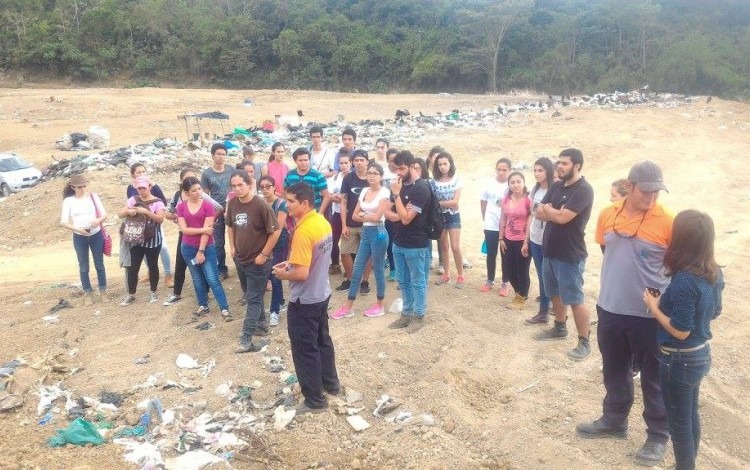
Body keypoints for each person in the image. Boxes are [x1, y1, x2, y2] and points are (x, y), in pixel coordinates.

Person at [577, 161, 674, 465]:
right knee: (614, 369)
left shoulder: (668, 221)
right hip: (611, 308)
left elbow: (677, 266)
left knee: (654, 378)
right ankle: (614, 420)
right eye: (646, 191)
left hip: (650, 317)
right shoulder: (608, 214)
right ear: (629, 186)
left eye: (657, 191)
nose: (652, 197)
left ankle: (658, 436)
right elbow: (610, 252)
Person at [645, 210, 723, 470]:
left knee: (679, 422)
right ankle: (687, 464)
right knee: (689, 415)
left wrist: (654, 306)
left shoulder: (684, 280)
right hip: (700, 355)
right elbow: (715, 311)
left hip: (679, 358)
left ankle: (685, 467)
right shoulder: (713, 272)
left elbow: (680, 330)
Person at [271, 182, 340, 415]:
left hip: (305, 300)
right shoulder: (321, 222)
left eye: (290, 201)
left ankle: (314, 399)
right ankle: (331, 384)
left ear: (305, 203)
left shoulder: (303, 231)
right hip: (322, 293)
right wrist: (291, 263)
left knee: (304, 349)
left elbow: (301, 273)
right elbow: (310, 260)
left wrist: (283, 273)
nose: (286, 205)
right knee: (323, 340)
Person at [533, 148, 594, 361]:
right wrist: (553, 212)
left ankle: (584, 341)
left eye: (564, 163)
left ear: (577, 166)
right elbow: (538, 211)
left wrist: (551, 212)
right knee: (554, 292)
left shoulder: (584, 190)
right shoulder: (557, 185)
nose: (559, 166)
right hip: (549, 249)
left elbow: (562, 218)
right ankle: (560, 327)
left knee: (575, 298)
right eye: (558, 162)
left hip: (570, 253)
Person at [226, 170, 280, 353]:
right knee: (249, 293)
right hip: (240, 258)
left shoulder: (261, 205)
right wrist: (232, 247)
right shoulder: (232, 203)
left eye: (240, 185)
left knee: (254, 299)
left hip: (258, 261)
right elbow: (230, 227)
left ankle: (246, 339)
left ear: (249, 184)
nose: (237, 189)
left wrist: (264, 255)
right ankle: (262, 324)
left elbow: (275, 232)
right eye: (233, 186)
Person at [331, 162, 392, 319]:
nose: (371, 175)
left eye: (375, 173)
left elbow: (378, 217)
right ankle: (348, 306)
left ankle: (379, 304)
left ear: (381, 176)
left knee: (378, 269)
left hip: (378, 233)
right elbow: (353, 215)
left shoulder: (384, 192)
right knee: (357, 268)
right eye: (370, 173)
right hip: (367, 231)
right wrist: (367, 216)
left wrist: (364, 215)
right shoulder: (364, 190)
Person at [386, 151, 431, 333]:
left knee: (418, 281)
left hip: (416, 243)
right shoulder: (399, 184)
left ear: (412, 166)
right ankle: (406, 313)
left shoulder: (421, 188)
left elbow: (406, 219)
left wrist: (397, 198)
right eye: (397, 169)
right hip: (398, 242)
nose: (399, 172)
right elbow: (387, 213)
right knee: (402, 281)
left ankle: (418, 316)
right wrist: (402, 212)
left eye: (402, 168)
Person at [163, 169, 223, 306]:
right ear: (182, 184)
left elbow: (218, 208)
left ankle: (206, 296)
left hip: (202, 237)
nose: (192, 183)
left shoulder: (201, 197)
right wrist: (177, 217)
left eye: (193, 178)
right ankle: (177, 293)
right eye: (187, 179)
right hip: (185, 236)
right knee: (180, 265)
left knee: (206, 269)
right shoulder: (178, 196)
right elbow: (167, 213)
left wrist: (210, 222)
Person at [176, 176, 232, 320]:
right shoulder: (181, 207)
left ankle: (224, 308)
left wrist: (201, 251)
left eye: (199, 189)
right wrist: (203, 230)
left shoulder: (207, 205)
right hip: (187, 247)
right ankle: (203, 305)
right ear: (187, 193)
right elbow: (184, 230)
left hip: (206, 247)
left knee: (212, 278)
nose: (198, 192)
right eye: (193, 190)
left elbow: (207, 232)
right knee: (197, 279)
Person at [60, 174, 108, 305]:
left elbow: (104, 215)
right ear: (73, 187)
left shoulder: (93, 197)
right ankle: (87, 292)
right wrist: (77, 229)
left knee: (99, 264)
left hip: (95, 233)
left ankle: (103, 290)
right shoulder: (69, 201)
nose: (82, 189)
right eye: (79, 187)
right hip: (79, 235)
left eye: (83, 186)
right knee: (83, 266)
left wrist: (97, 221)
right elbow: (64, 222)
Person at [119, 176, 166, 306]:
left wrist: (145, 211)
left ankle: (153, 291)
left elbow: (160, 219)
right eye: (139, 188)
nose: (141, 191)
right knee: (133, 267)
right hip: (136, 239)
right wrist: (130, 211)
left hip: (153, 239)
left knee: (152, 265)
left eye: (143, 188)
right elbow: (120, 214)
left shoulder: (158, 202)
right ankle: (131, 294)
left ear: (149, 187)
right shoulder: (133, 200)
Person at [126, 163, 173, 288]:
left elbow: (162, 201)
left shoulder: (153, 186)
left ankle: (168, 274)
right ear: (133, 175)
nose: (142, 174)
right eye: (138, 172)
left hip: (153, 223)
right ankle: (149, 272)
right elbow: (129, 204)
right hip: (139, 225)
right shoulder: (130, 188)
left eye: (143, 171)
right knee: (143, 248)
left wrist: (150, 211)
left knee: (162, 247)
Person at [525, 157, 555, 324]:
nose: (537, 174)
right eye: (535, 170)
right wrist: (527, 239)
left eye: (540, 170)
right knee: (541, 274)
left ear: (548, 171)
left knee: (547, 275)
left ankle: (545, 310)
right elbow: (533, 214)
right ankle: (546, 305)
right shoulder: (535, 189)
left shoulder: (554, 189)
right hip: (536, 237)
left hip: (548, 239)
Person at [337, 149, 372, 294]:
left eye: (361, 160)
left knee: (368, 254)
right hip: (350, 224)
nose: (358, 163)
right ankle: (351, 280)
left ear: (367, 162)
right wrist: (344, 224)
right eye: (356, 160)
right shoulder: (348, 179)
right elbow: (343, 202)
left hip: (368, 224)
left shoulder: (372, 178)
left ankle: (365, 281)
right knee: (344, 252)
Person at [200, 143, 235, 280]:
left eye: (223, 154)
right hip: (216, 211)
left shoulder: (231, 170)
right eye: (218, 154)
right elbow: (205, 195)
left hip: (232, 208)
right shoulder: (207, 174)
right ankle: (222, 269)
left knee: (237, 239)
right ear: (213, 155)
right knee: (218, 242)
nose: (221, 157)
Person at [260, 175, 290, 327]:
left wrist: (266, 250)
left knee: (275, 275)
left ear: (274, 187)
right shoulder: (259, 203)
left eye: (268, 186)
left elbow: (278, 227)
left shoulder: (281, 204)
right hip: (263, 242)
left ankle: (274, 311)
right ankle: (280, 300)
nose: (265, 189)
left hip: (279, 241)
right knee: (268, 276)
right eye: (262, 187)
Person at [432, 152, 465, 288]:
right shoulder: (433, 181)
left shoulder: (457, 180)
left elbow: (455, 201)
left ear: (450, 164)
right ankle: (446, 274)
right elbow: (451, 202)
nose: (442, 167)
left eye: (445, 164)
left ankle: (461, 275)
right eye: (440, 164)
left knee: (455, 246)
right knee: (443, 245)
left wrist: (439, 203)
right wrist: (448, 202)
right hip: (440, 216)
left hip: (452, 215)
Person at [500, 171, 532, 309]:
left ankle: (521, 298)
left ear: (524, 182)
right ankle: (519, 294)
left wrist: (526, 241)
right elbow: (503, 218)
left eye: (518, 181)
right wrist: (501, 238)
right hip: (507, 239)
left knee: (522, 270)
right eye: (512, 182)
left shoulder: (528, 199)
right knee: (509, 270)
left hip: (522, 240)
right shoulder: (506, 198)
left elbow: (531, 220)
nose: (515, 185)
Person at [480, 158, 511, 294]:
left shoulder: (512, 184)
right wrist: (485, 220)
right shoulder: (489, 183)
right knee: (491, 253)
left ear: (509, 171)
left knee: (506, 253)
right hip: (491, 223)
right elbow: (483, 202)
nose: (501, 172)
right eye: (499, 169)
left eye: (504, 170)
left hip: (507, 225)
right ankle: (490, 280)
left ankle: (505, 282)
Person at [283, 147, 331, 214]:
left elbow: (326, 196)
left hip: (313, 213)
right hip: (295, 214)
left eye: (306, 160)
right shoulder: (290, 175)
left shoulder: (318, 176)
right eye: (301, 160)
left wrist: (320, 213)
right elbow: (285, 191)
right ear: (295, 161)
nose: (303, 162)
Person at [328, 151, 351, 275]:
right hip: (337, 212)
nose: (343, 165)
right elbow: (330, 195)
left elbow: (352, 198)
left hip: (350, 213)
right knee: (334, 239)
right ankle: (335, 264)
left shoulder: (353, 177)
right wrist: (343, 198)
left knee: (351, 240)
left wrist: (340, 197)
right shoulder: (336, 177)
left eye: (346, 163)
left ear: (350, 163)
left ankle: (351, 268)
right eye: (341, 163)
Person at [384, 148, 400, 281]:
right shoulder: (383, 173)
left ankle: (401, 268)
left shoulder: (402, 173)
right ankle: (393, 268)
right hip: (387, 210)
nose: (393, 163)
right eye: (391, 160)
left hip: (400, 211)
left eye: (396, 160)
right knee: (389, 241)